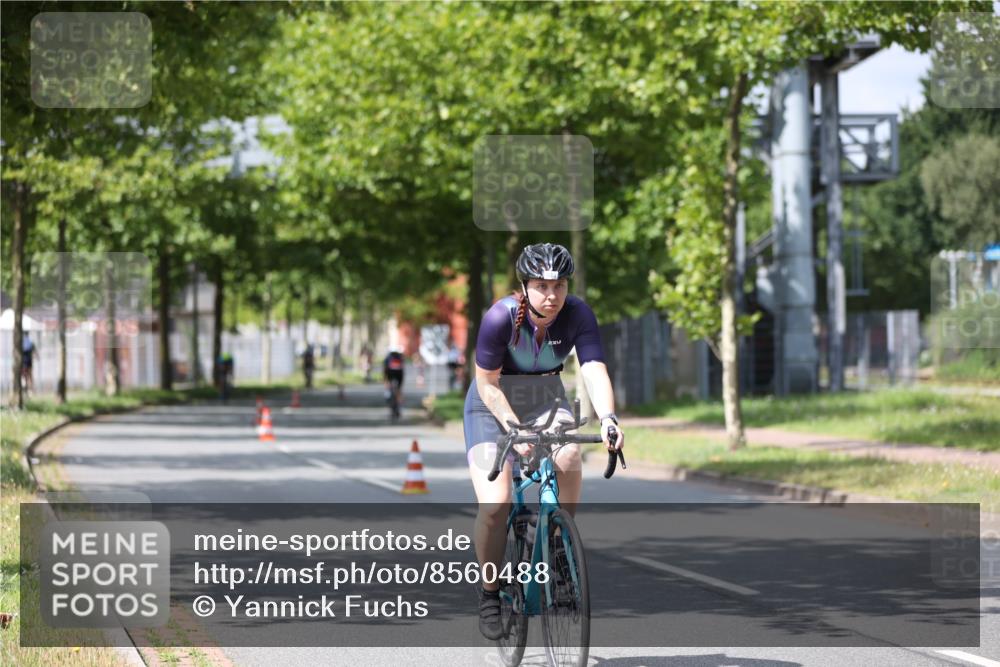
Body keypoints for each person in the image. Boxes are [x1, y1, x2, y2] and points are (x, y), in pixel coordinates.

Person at [464, 242, 625, 640]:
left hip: (546, 397)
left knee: (569, 456)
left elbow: (592, 367)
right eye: (541, 285)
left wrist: (608, 417)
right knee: (496, 504)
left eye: (559, 285)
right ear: (524, 285)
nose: (551, 296)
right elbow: (486, 383)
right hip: (492, 403)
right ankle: (489, 593)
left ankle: (557, 541)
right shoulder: (500, 318)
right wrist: (513, 429)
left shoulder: (578, 314)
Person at [383, 346, 405, 418]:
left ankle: (393, 407)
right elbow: (402, 371)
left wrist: (385, 381)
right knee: (398, 391)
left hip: (390, 375)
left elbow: (385, 370)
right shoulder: (400, 357)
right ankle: (399, 407)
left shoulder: (388, 358)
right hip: (398, 376)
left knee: (390, 392)